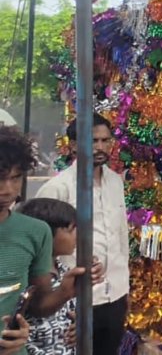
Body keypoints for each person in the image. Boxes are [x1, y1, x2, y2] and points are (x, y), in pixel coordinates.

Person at [35, 115, 130, 355]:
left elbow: (121, 238)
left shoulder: (116, 182)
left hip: (115, 295)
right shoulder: (59, 187)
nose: (100, 147)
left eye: (105, 141)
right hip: (77, 300)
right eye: (93, 140)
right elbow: (42, 244)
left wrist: (124, 291)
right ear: (75, 145)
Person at [0, 126, 93, 355]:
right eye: (0, 179)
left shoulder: (35, 231)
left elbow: (38, 306)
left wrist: (64, 291)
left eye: (15, 178)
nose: (7, 190)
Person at [17, 199, 79, 355]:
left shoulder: (65, 272)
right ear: (45, 234)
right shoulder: (24, 276)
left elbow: (71, 314)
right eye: (71, 229)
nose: (78, 235)